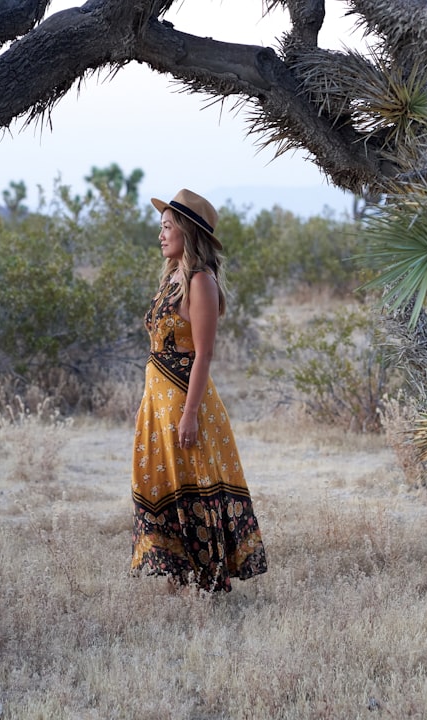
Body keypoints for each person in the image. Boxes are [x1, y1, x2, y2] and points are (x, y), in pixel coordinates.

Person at [130, 189, 268, 592]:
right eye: (161, 227)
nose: (160, 235)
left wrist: (189, 414)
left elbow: (204, 354)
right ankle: (178, 576)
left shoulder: (200, 281)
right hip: (157, 401)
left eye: (167, 227)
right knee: (165, 486)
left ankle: (210, 581)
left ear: (187, 232)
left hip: (184, 402)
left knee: (195, 484)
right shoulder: (171, 277)